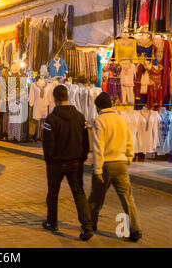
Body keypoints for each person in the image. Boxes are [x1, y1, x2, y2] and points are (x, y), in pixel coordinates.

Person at [41, 85, 93, 241]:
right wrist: (81, 158)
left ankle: (52, 221)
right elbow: (86, 142)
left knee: (53, 193)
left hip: (56, 163)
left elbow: (48, 144)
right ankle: (87, 227)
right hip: (75, 162)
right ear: (68, 97)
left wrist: (49, 159)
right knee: (78, 193)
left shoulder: (51, 119)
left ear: (55, 99)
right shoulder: (79, 117)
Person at [88, 92, 142, 242]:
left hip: (106, 165)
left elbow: (98, 147)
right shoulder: (122, 119)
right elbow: (130, 140)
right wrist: (129, 157)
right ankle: (135, 230)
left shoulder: (99, 121)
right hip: (122, 163)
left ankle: (90, 225)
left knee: (96, 197)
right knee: (127, 199)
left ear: (98, 106)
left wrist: (97, 170)